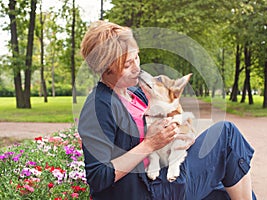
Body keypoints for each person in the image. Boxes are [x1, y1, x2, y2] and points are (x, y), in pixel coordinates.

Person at [78, 20, 257, 200]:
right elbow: (98, 178)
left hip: (165, 176)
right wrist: (149, 145)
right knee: (227, 135)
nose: (137, 68)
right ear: (105, 69)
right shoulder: (98, 106)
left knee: (226, 185)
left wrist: (184, 135)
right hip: (148, 191)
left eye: (137, 58)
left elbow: (168, 108)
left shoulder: (136, 94)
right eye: (127, 65)